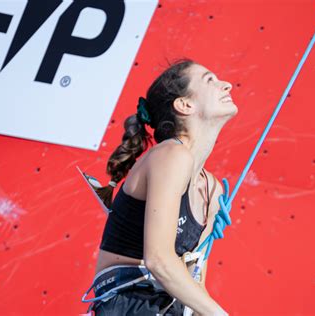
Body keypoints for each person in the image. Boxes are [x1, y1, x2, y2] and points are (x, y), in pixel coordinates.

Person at [85, 58, 238, 315]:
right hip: (128, 303)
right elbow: (159, 261)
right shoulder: (171, 156)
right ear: (185, 104)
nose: (227, 85)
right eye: (210, 80)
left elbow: (193, 283)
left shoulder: (212, 189)